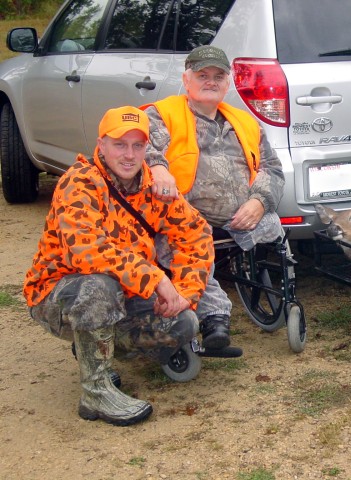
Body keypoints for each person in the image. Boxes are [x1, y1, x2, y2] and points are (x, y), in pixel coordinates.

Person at [23, 106, 214, 426]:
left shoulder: (155, 187)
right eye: (119, 144)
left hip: (125, 292)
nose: (129, 155)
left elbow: (197, 236)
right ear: (101, 145)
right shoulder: (79, 182)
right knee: (100, 284)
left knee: (184, 323)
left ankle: (94, 349)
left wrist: (184, 291)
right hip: (57, 293)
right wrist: (155, 278)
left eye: (137, 145)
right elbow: (85, 250)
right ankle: (95, 392)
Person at [142, 45, 285, 354]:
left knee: (274, 225)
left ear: (228, 82)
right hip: (183, 219)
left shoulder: (245, 122)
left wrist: (260, 201)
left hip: (242, 216)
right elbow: (137, 146)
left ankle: (287, 300)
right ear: (186, 78)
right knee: (177, 247)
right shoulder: (162, 115)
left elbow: (272, 167)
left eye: (217, 76)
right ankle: (213, 319)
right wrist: (156, 166)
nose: (210, 81)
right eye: (202, 75)